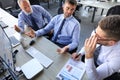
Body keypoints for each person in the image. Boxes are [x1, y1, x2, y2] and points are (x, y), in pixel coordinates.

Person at [72, 15, 120, 80]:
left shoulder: (117, 58)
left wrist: (89, 55)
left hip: (106, 72)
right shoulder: (98, 32)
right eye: (95, 31)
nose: (93, 36)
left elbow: (95, 78)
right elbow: (89, 45)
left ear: (111, 42)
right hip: (92, 59)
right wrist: (80, 54)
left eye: (98, 37)